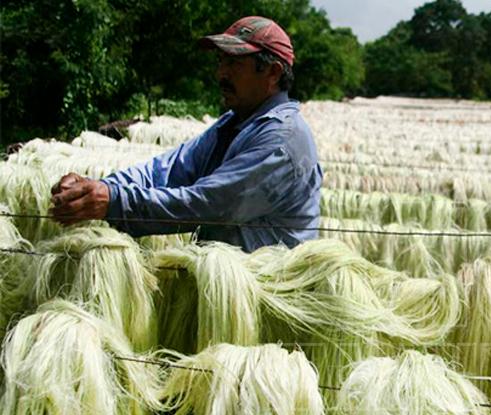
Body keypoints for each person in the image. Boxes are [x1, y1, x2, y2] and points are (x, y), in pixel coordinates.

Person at [48, 16, 322, 252]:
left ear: (273, 73)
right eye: (220, 61)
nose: (221, 73)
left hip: (269, 287)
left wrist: (113, 201)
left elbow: (209, 205)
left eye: (234, 63)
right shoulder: (233, 123)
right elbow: (167, 171)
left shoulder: (281, 139)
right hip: (227, 284)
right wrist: (96, 188)